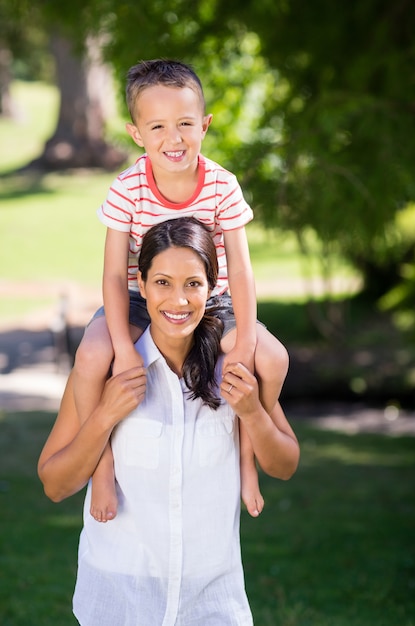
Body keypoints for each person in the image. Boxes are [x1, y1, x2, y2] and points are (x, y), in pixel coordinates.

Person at [38, 217, 300, 626]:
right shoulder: (107, 370)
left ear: (213, 288)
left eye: (193, 284)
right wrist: (105, 414)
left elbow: (284, 464)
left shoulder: (233, 369)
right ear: (140, 287)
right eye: (162, 282)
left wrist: (251, 412)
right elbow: (55, 485)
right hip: (119, 603)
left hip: (213, 605)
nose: (178, 301)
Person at [72, 58, 290, 522]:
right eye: (158, 127)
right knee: (92, 357)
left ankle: (246, 464)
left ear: (205, 125)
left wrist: (246, 342)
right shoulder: (127, 189)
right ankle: (102, 466)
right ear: (136, 134)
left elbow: (244, 274)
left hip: (213, 300)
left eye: (186, 124)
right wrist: (122, 349)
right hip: (138, 297)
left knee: (271, 359)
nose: (174, 139)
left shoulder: (222, 186)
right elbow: (114, 276)